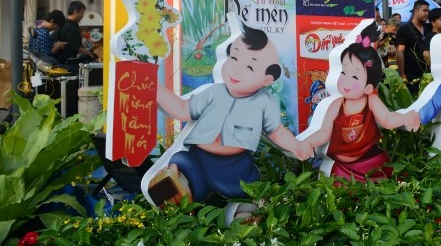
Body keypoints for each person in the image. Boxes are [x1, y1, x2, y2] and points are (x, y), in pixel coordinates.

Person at [149, 22, 313, 206]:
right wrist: (155, 86)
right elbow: (181, 109)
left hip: (236, 167)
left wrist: (297, 145)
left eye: (249, 67)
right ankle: (176, 205)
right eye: (234, 58)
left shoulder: (264, 102)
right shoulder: (213, 92)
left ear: (267, 79)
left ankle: (242, 213)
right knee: (177, 165)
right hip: (198, 158)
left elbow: (278, 132)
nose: (236, 69)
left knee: (244, 194)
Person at [304, 21, 420, 181]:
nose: (346, 80)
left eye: (355, 76)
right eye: (344, 72)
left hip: (371, 161)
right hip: (342, 166)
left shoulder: (371, 101)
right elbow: (324, 132)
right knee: (340, 188)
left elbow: (387, 119)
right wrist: (306, 143)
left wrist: (405, 118)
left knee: (385, 179)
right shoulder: (336, 105)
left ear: (368, 87)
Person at [396, 0, 431, 95]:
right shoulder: (404, 29)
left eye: (428, 11)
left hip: (429, 72)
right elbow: (400, 52)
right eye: (424, 10)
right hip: (412, 73)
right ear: (415, 11)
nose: (427, 13)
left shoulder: (429, 27)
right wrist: (402, 74)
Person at [55, 1, 98, 69]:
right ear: (75, 12)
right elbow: (77, 48)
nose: (83, 16)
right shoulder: (69, 27)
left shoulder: (67, 25)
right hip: (69, 64)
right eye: (82, 12)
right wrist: (91, 55)